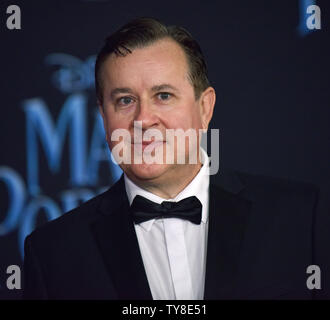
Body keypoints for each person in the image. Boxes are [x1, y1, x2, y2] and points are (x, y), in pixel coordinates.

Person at [23, 17, 329, 300]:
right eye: (125, 100)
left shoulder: (300, 217)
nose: (143, 119)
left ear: (205, 108)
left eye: (163, 96)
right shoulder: (53, 254)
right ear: (104, 116)